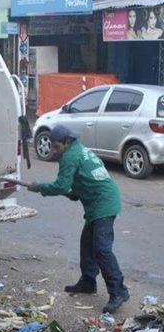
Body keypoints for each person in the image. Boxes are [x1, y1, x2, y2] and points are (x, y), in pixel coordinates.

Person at [28, 125, 129, 313]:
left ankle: (119, 291)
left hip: (103, 204)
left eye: (57, 147)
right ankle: (88, 282)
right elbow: (89, 175)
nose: (55, 151)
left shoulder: (70, 157)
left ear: (66, 142)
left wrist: (39, 187)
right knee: (87, 244)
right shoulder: (80, 149)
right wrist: (77, 192)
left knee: (101, 249)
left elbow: (60, 186)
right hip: (99, 201)